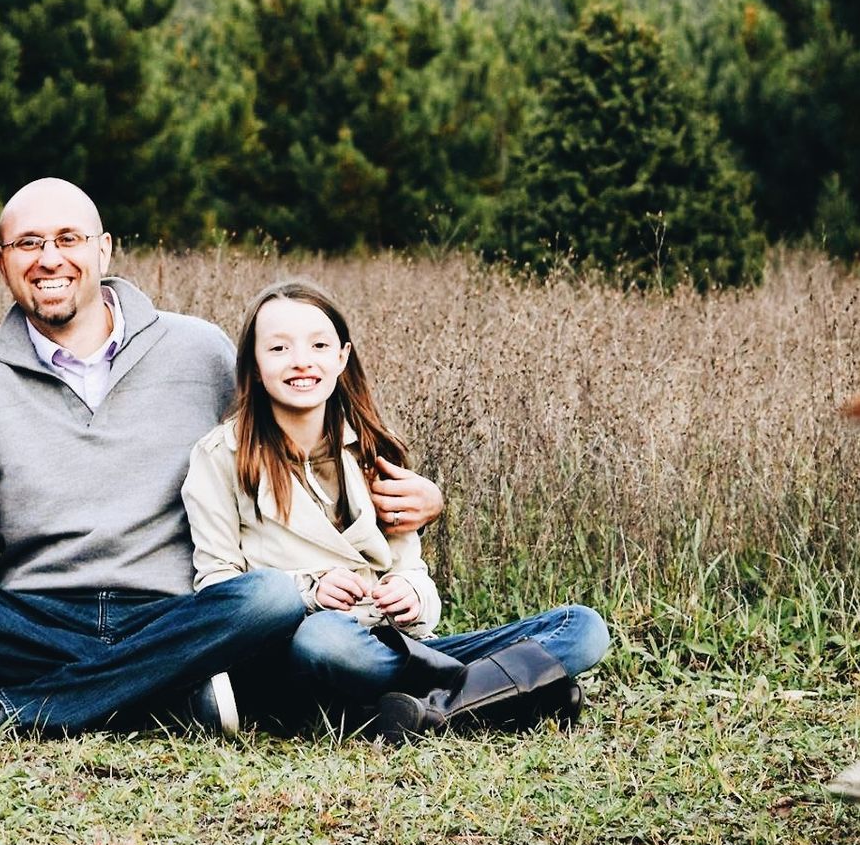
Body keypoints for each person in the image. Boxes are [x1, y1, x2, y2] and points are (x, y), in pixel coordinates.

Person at [0, 178, 446, 736]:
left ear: (104, 249)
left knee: (267, 595)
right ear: (4, 257)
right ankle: (173, 693)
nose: (49, 258)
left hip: (182, 615)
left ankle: (8, 711)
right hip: (36, 618)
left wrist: (420, 495)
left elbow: (296, 433)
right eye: (29, 243)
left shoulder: (199, 351)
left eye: (69, 239)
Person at [180, 279, 609, 738]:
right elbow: (218, 590)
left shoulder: (373, 451)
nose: (302, 360)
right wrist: (310, 593)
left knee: (582, 627)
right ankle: (504, 696)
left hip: (397, 647)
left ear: (342, 358)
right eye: (279, 348)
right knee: (324, 639)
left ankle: (433, 708)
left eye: (319, 345)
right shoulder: (220, 456)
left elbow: (413, 575)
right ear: (255, 365)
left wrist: (410, 598)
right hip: (310, 651)